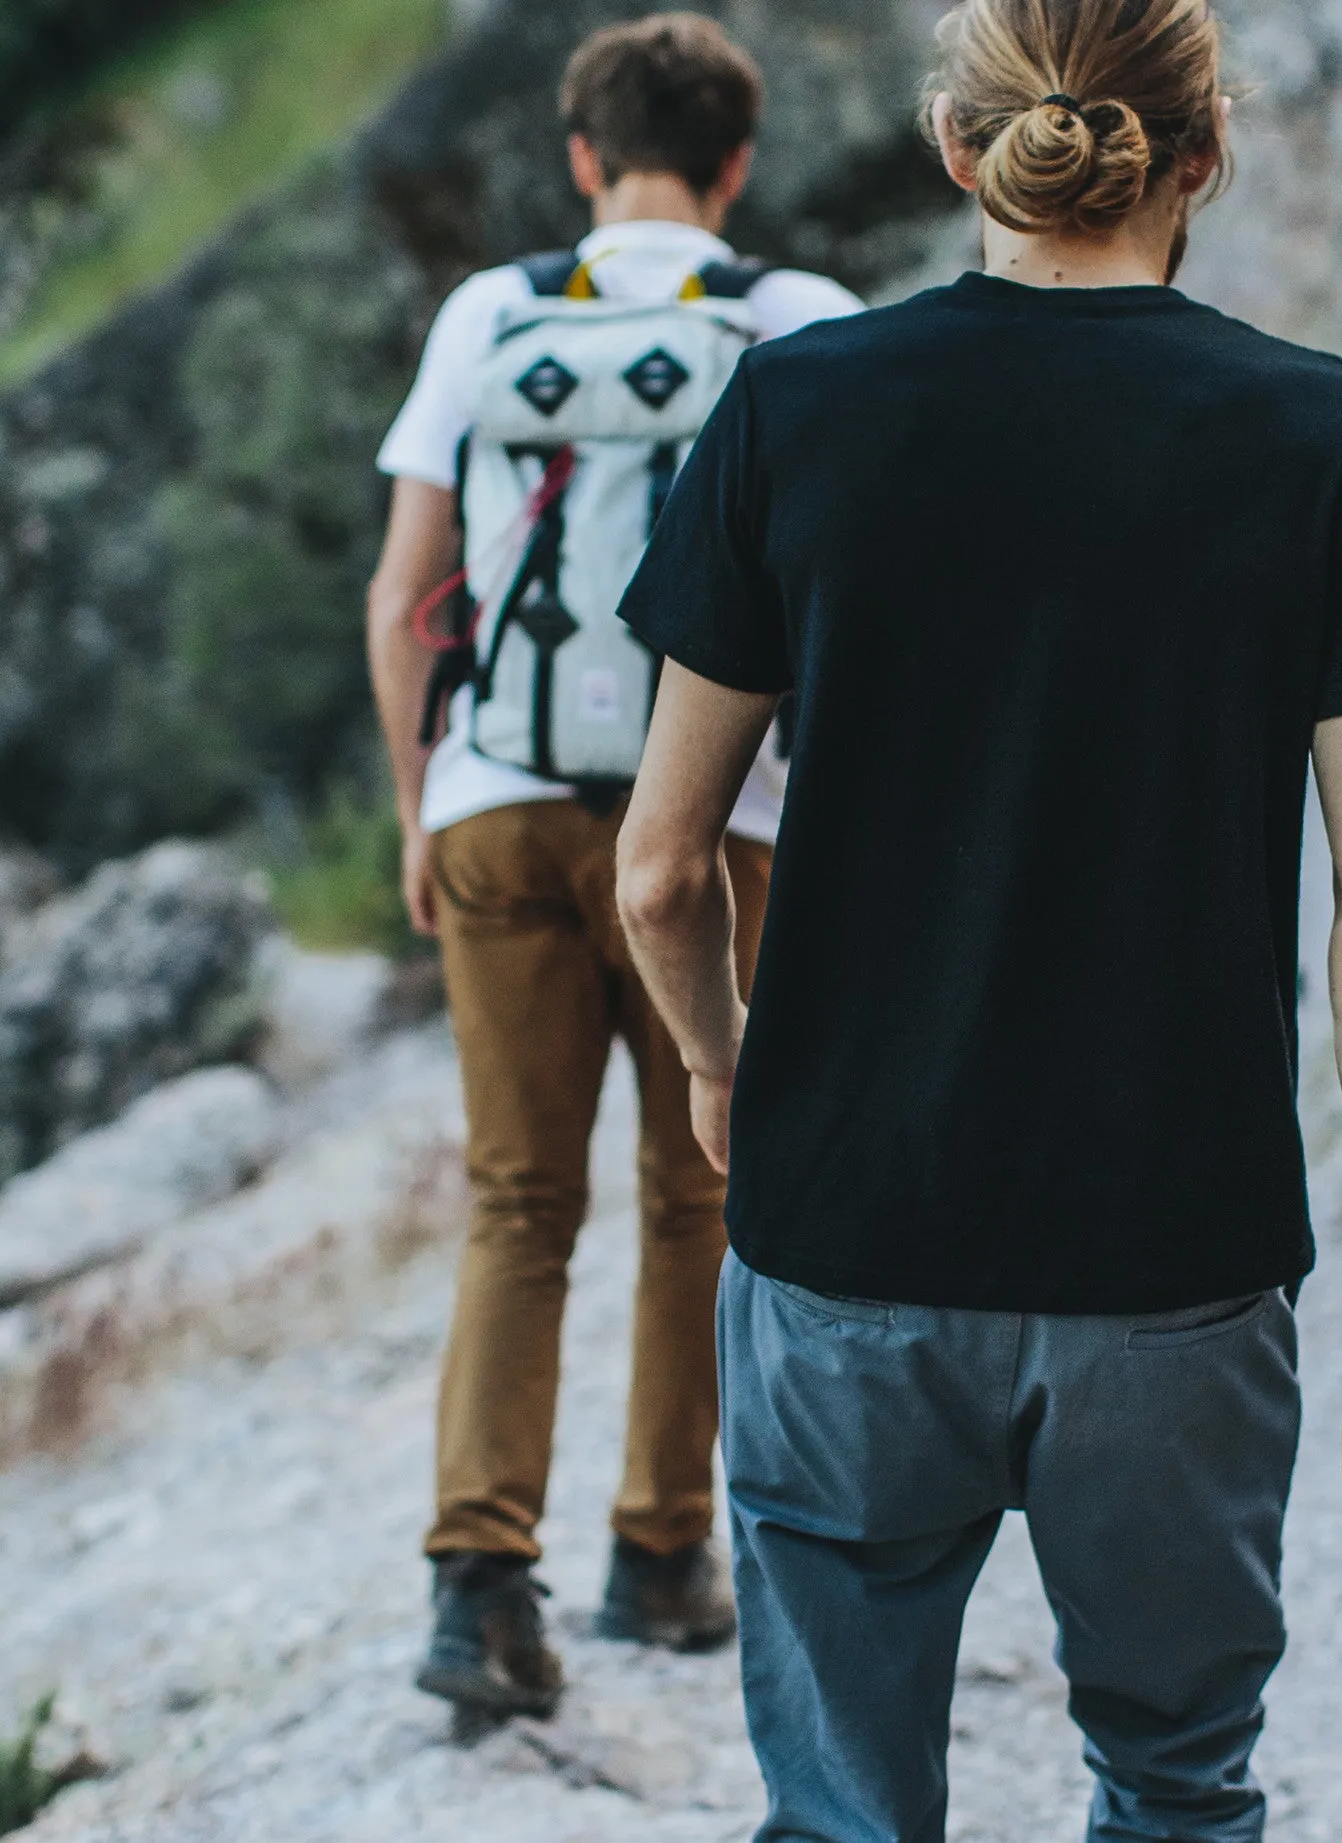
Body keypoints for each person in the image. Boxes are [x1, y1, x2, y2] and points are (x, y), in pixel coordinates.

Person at [611, 0, 1342, 1834]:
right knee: (1175, 1788)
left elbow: (659, 866)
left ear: (953, 148)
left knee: (842, 1808)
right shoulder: (1332, 437)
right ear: (1203, 151)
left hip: (846, 1238)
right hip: (1172, 1262)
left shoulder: (796, 405)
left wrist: (715, 1065)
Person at [365, 12, 861, 1720]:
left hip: (495, 802)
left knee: (517, 1203)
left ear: (583, 159)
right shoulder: (796, 321)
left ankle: (477, 1588)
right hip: (715, 816)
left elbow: (402, 584)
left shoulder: (487, 313)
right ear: (735, 165)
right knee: (699, 1194)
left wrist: (422, 804)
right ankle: (661, 1557)